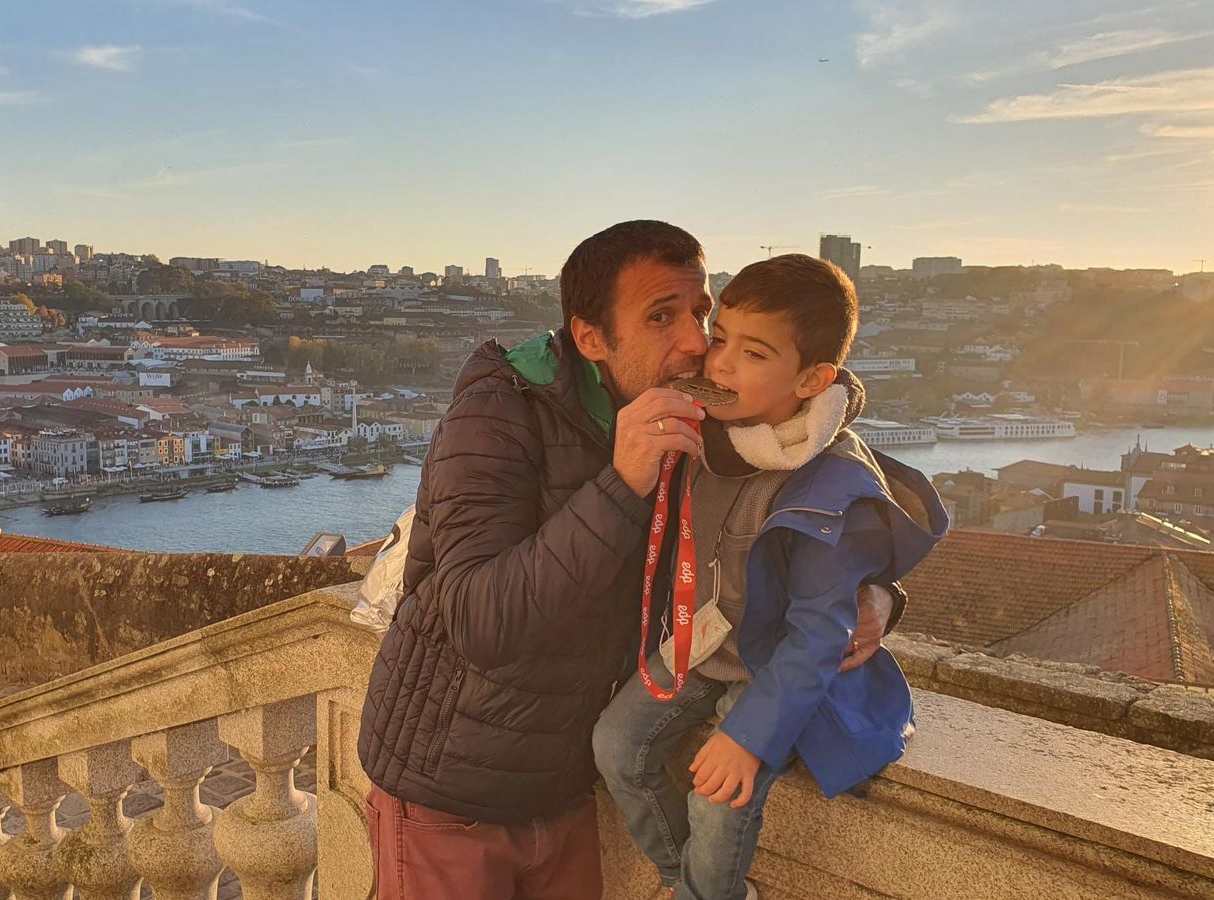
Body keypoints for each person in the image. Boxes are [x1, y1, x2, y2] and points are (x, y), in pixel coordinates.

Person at [357, 222, 908, 899]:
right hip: (450, 792)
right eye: (660, 317)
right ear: (590, 338)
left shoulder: (701, 413)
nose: (695, 343)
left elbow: (820, 487)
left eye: (702, 313)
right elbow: (480, 623)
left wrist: (876, 595)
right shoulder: (497, 416)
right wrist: (623, 484)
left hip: (564, 786)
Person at [592, 255, 948, 900]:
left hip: (773, 665)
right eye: (720, 339)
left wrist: (749, 736)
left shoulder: (827, 481)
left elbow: (818, 632)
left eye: (753, 354)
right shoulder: (706, 436)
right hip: (702, 645)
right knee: (616, 746)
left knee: (720, 799)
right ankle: (688, 886)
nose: (720, 364)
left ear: (813, 379)